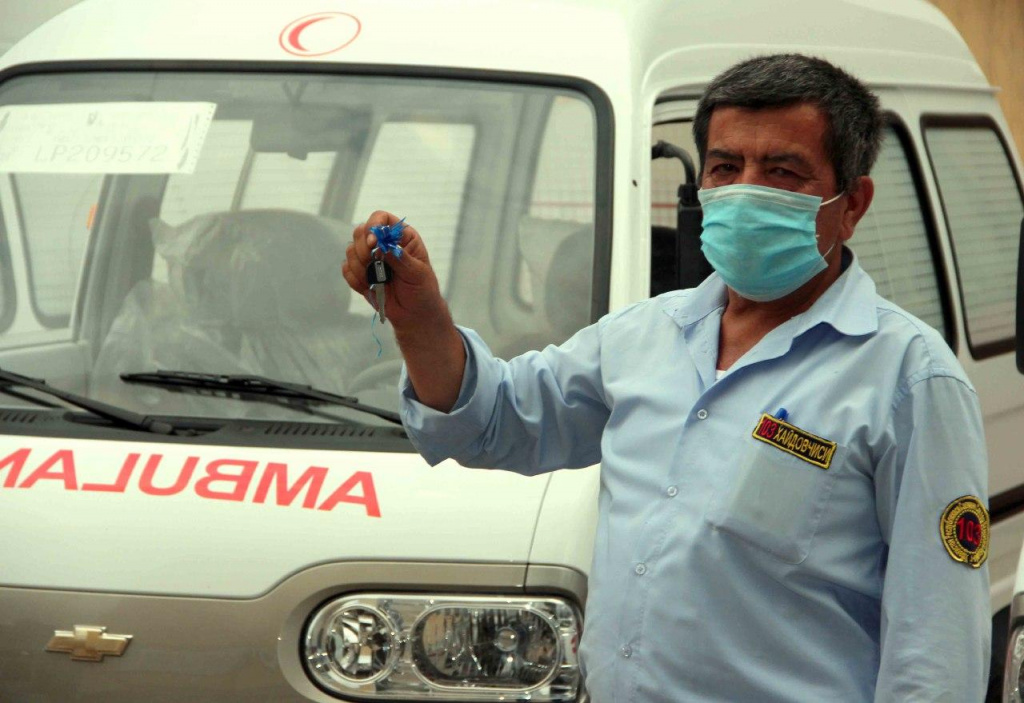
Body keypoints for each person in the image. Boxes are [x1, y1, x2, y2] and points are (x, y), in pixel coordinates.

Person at [341, 54, 990, 702]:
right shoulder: (643, 336)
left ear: (852, 204)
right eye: (725, 167)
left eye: (783, 171)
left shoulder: (910, 380)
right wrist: (419, 318)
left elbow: (935, 654)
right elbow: (492, 420)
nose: (745, 191)